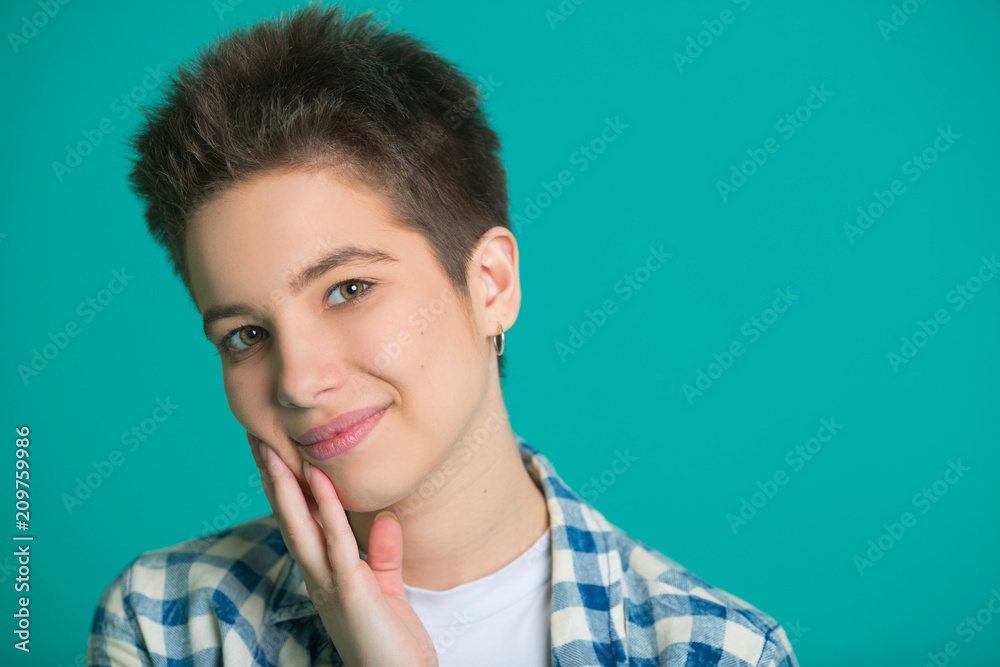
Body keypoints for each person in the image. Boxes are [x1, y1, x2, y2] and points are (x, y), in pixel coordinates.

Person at [87, 3, 799, 665]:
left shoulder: (716, 649)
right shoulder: (167, 624)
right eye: (245, 334)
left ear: (490, 284)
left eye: (348, 290)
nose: (299, 380)